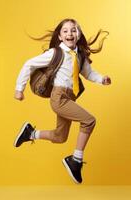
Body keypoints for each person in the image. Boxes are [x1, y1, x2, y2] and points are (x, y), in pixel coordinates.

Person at [14, 18, 111, 184]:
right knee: (89, 121)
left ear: (78, 34)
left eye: (73, 30)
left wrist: (102, 79)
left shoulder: (80, 55)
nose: (69, 33)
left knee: (60, 137)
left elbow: (88, 73)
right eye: (65, 31)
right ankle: (76, 160)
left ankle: (30, 133)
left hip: (70, 97)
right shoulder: (55, 53)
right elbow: (29, 64)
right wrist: (19, 89)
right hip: (59, 97)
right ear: (59, 36)